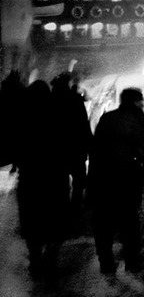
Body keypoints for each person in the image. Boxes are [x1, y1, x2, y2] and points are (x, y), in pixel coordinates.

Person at [87, 87, 144, 275]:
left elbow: (96, 148)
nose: (143, 103)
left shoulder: (108, 118)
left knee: (104, 222)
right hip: (127, 178)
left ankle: (106, 263)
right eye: (140, 99)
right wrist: (143, 167)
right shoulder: (136, 118)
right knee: (129, 221)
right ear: (134, 101)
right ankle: (132, 262)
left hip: (103, 178)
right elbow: (141, 147)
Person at [14, 79, 71, 280]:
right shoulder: (59, 115)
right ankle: (52, 258)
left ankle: (36, 260)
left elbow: (13, 146)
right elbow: (69, 144)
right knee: (55, 219)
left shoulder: (21, 117)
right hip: (56, 178)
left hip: (30, 179)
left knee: (32, 221)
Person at [51, 72, 92, 218]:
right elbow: (83, 123)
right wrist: (89, 143)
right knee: (78, 179)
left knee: (60, 179)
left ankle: (61, 207)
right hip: (76, 146)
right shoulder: (75, 99)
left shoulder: (50, 100)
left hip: (57, 148)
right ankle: (75, 206)